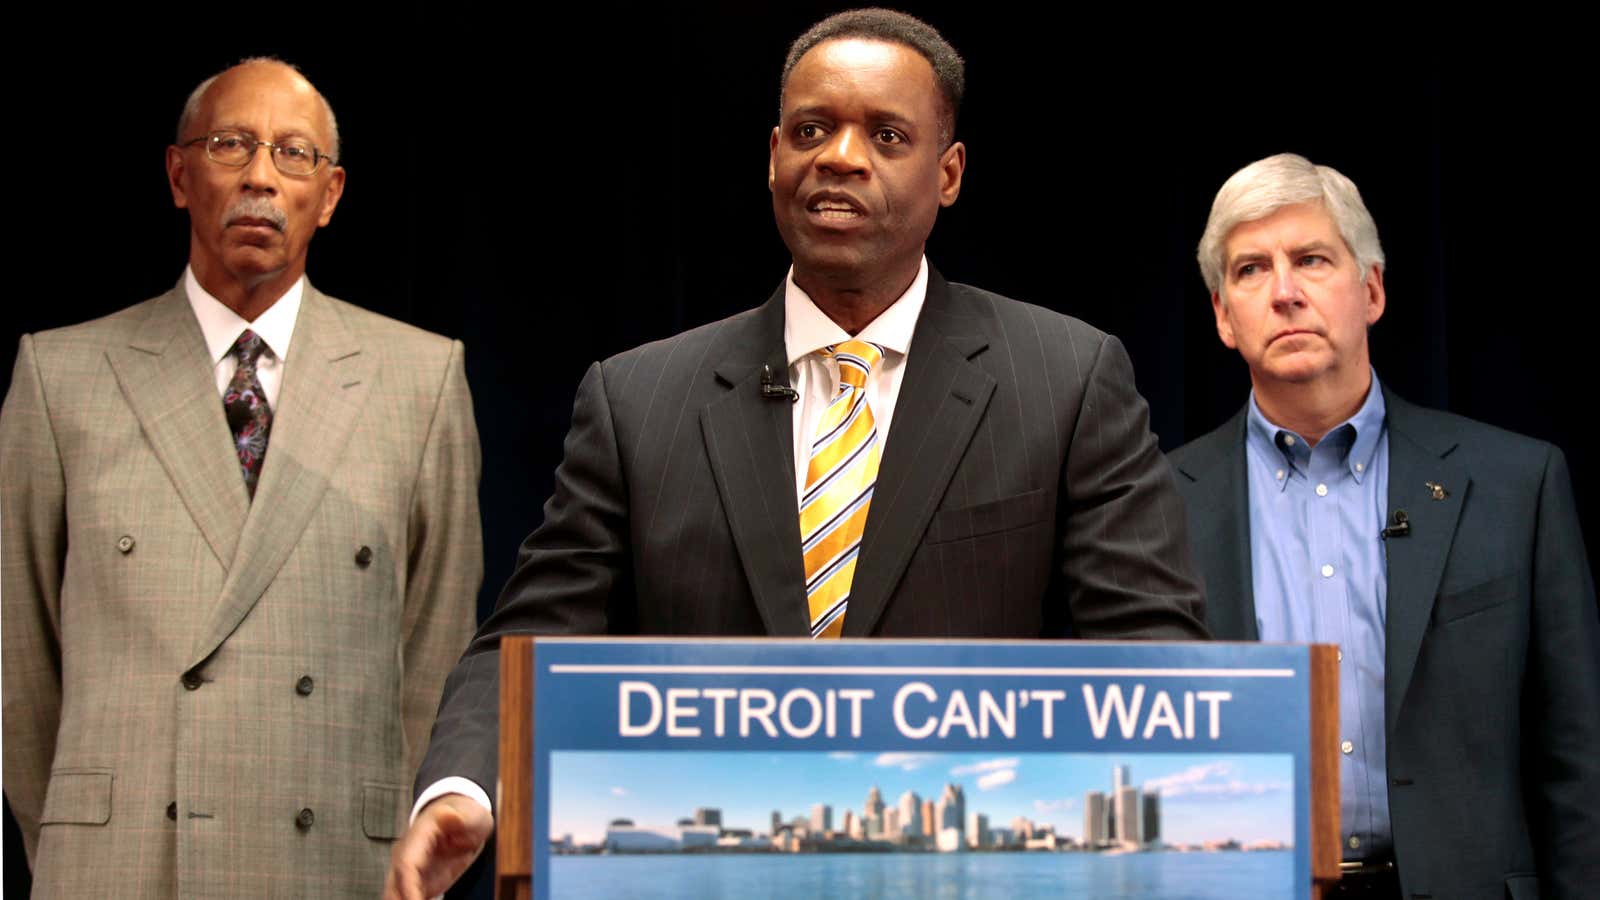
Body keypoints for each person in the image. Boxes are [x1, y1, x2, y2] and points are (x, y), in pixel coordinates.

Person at [385, 10, 1206, 897]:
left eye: (886, 135)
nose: (841, 157)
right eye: (812, 131)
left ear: (949, 173)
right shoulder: (639, 399)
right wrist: (466, 786)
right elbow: (530, 637)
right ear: (774, 156)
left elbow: (1152, 660)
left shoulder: (1067, 378)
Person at [0, 58, 482, 896]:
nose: (261, 175)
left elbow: (436, 653)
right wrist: (82, 840)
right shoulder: (62, 373)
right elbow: (19, 656)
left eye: (293, 154)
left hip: (335, 860)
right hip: (124, 866)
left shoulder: (421, 378)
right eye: (232, 145)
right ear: (180, 175)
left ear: (329, 196)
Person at [1170, 152, 1600, 899]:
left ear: (1370, 289)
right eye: (1250, 270)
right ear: (1221, 317)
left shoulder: (1516, 484)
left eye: (1311, 260)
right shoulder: (1153, 505)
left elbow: (1575, 757)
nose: (1283, 293)